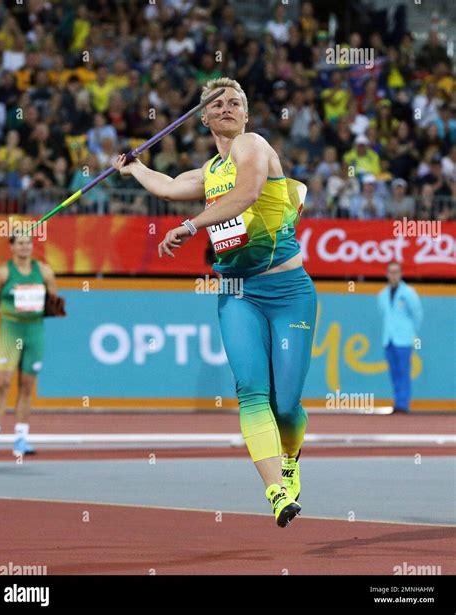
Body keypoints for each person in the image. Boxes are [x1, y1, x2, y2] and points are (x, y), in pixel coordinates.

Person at [114, 78, 317, 528]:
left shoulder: (253, 145)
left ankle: (291, 457)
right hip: (236, 292)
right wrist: (134, 169)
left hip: (288, 293)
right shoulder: (208, 173)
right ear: (203, 117)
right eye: (217, 103)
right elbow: (167, 186)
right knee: (250, 391)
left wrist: (190, 226)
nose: (228, 107)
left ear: (246, 115)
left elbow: (244, 194)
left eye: (236, 102)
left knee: (286, 405)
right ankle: (276, 493)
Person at [0, 235, 58, 456]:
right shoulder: (1, 274)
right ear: (12, 247)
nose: (25, 247)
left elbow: (53, 301)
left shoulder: (44, 272)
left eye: (28, 243)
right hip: (10, 329)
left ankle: (21, 439)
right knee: (2, 383)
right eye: (20, 243)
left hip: (34, 331)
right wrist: (12, 313)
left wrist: (36, 311)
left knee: (26, 385)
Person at [377, 262, 423, 414]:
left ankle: (403, 404)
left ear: (401, 273)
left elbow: (417, 315)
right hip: (388, 339)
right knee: (394, 372)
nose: (393, 275)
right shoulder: (382, 294)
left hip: (404, 340)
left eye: (396, 272)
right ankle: (398, 402)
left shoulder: (409, 293)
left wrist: (410, 332)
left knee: (403, 371)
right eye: (391, 272)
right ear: (387, 274)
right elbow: (385, 315)